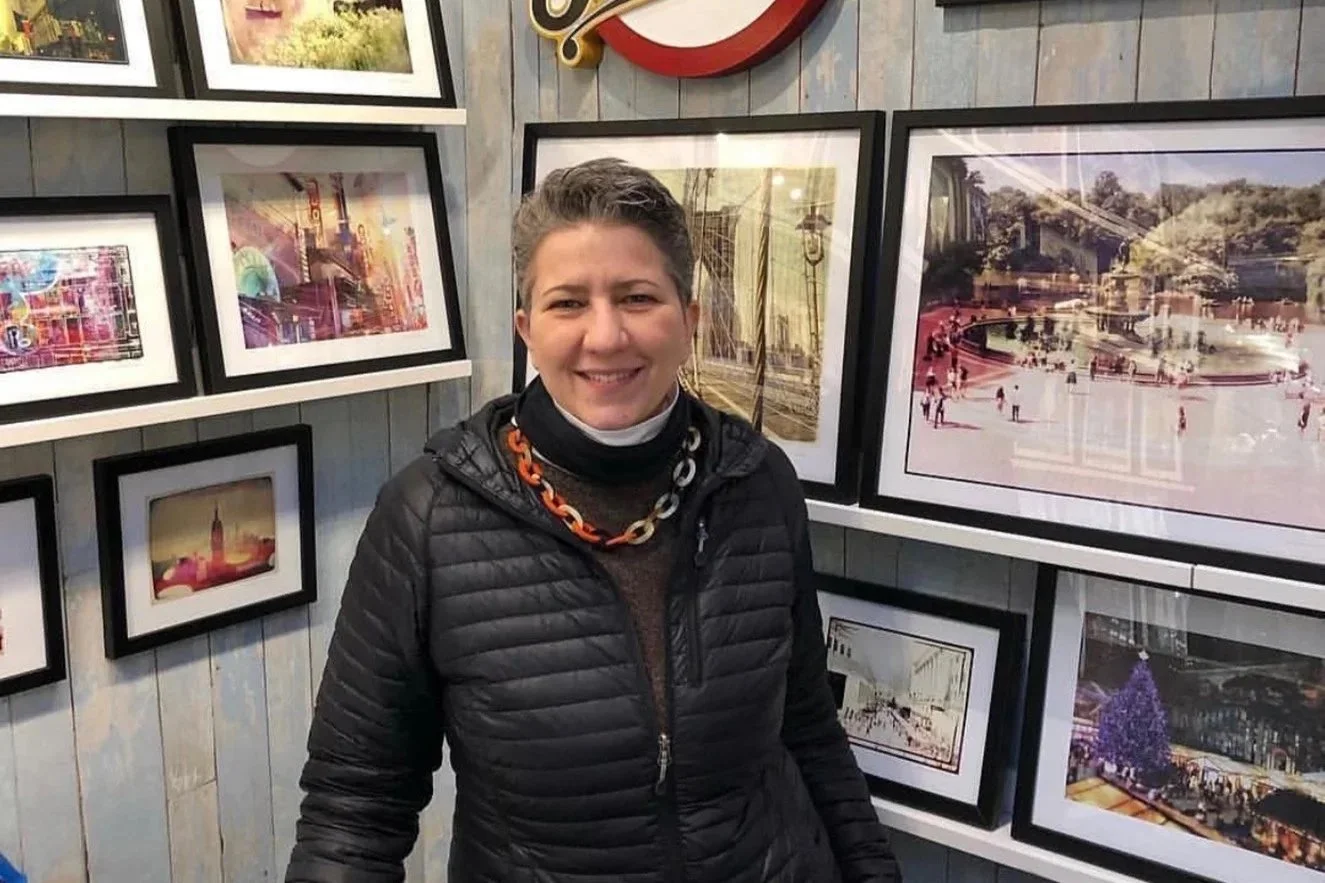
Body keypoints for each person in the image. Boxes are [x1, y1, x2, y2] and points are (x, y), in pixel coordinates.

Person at [285, 158, 901, 883]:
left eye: (637, 297)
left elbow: (807, 727)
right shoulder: (429, 516)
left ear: (689, 316)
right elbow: (354, 807)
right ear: (526, 328)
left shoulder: (757, 482)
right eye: (568, 303)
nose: (605, 336)